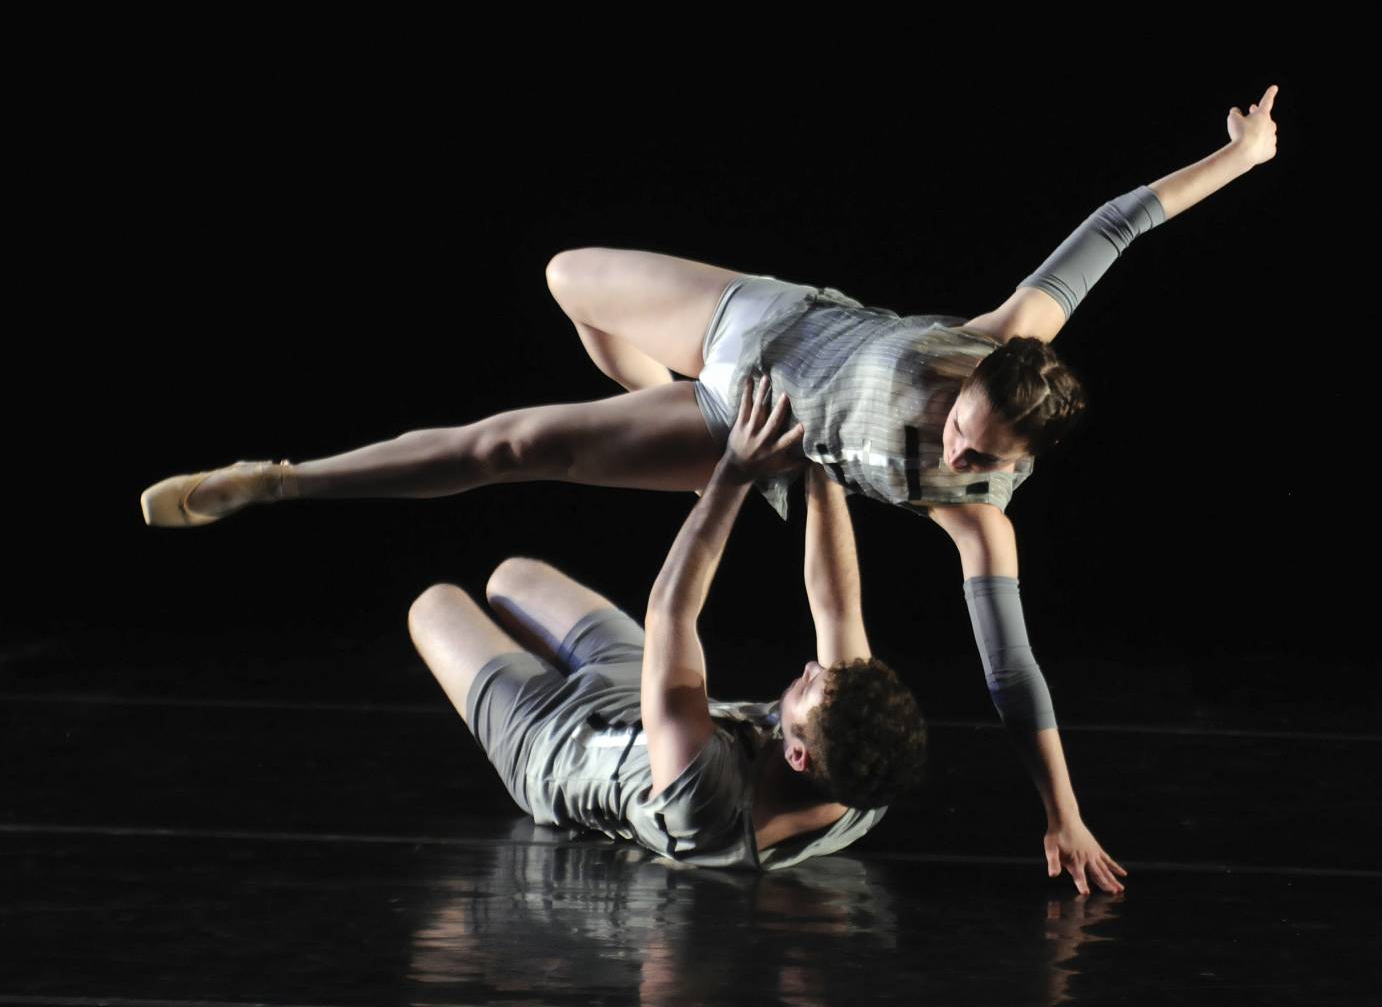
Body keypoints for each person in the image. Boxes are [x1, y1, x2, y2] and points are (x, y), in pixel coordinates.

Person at [141, 84, 1278, 890]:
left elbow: (1013, 680)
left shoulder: (978, 519)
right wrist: (1239, 157)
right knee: (564, 278)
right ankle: (641, 392)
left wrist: (1062, 816)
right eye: (956, 425)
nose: (956, 452)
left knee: (508, 444)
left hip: (743, 433)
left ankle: (281, 482)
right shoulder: (1004, 332)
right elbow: (1115, 227)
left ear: (1017, 462)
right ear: (978, 372)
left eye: (981, 456)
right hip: (757, 321)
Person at [406, 376, 927, 869]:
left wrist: (735, 471)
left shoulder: (705, 800)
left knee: (435, 604)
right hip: (644, 692)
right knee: (512, 576)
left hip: (553, 742)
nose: (812, 667)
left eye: (810, 686)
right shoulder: (856, 778)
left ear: (796, 755)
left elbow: (671, 610)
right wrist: (819, 462)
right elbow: (835, 603)